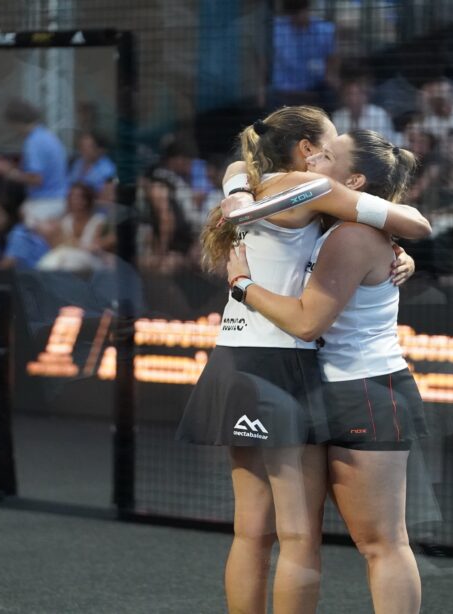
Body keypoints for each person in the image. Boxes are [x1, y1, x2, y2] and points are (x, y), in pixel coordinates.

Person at [175, 105, 430, 614]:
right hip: (283, 367)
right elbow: (415, 222)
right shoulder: (309, 189)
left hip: (237, 363)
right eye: (324, 147)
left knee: (252, 532)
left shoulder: (257, 183)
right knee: (298, 537)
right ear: (305, 149)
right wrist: (242, 284)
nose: (321, 159)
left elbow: (238, 166)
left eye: (332, 154)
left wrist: (397, 254)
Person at [0, 99, 69, 227]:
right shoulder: (47, 136)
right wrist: (12, 168)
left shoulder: (33, 142)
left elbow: (36, 179)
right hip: (57, 200)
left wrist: (8, 172)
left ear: (15, 123)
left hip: (45, 203)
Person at [37, 183, 109, 273]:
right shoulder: (66, 220)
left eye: (79, 197)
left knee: (65, 258)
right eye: (72, 197)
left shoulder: (98, 221)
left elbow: (96, 247)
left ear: (87, 200)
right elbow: (59, 244)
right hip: (67, 257)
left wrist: (73, 243)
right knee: (57, 258)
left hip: (91, 260)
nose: (75, 200)